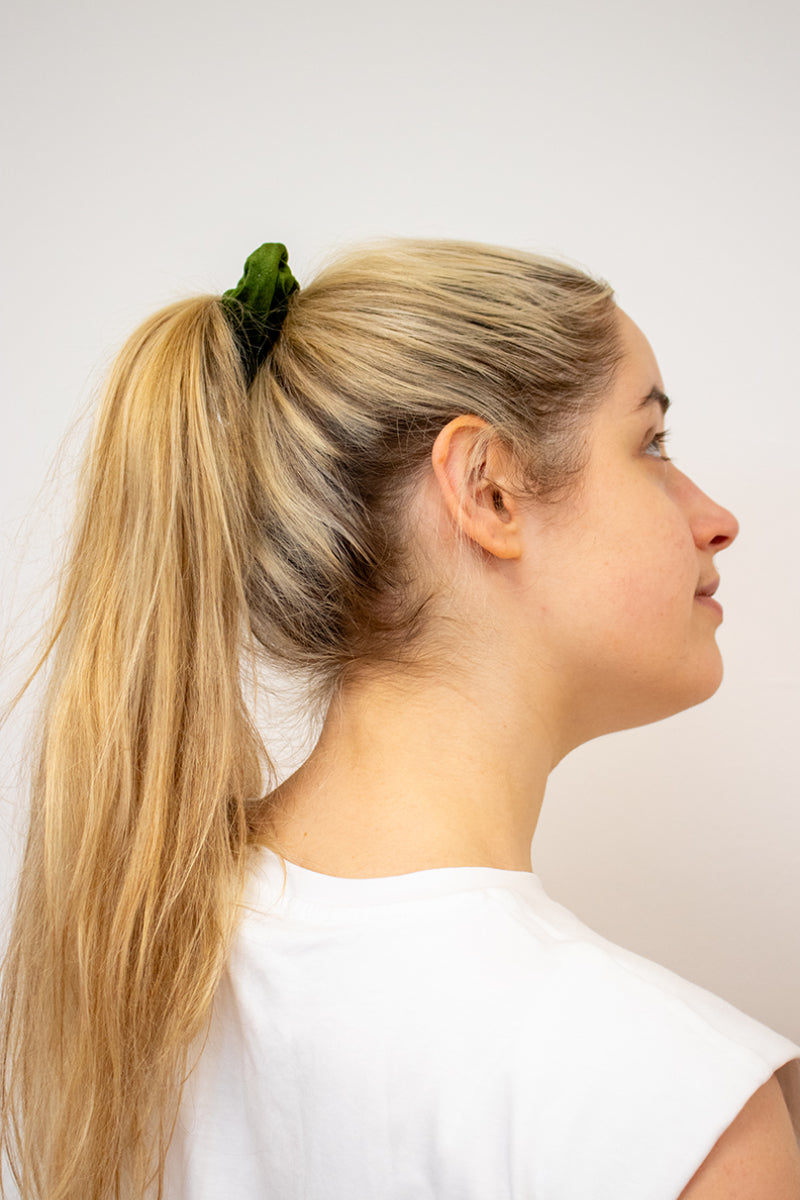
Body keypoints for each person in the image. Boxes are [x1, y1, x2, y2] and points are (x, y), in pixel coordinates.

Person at [0, 240, 798, 1200]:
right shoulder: (677, 1115)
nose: (717, 518)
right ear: (488, 489)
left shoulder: (126, 957)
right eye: (652, 444)